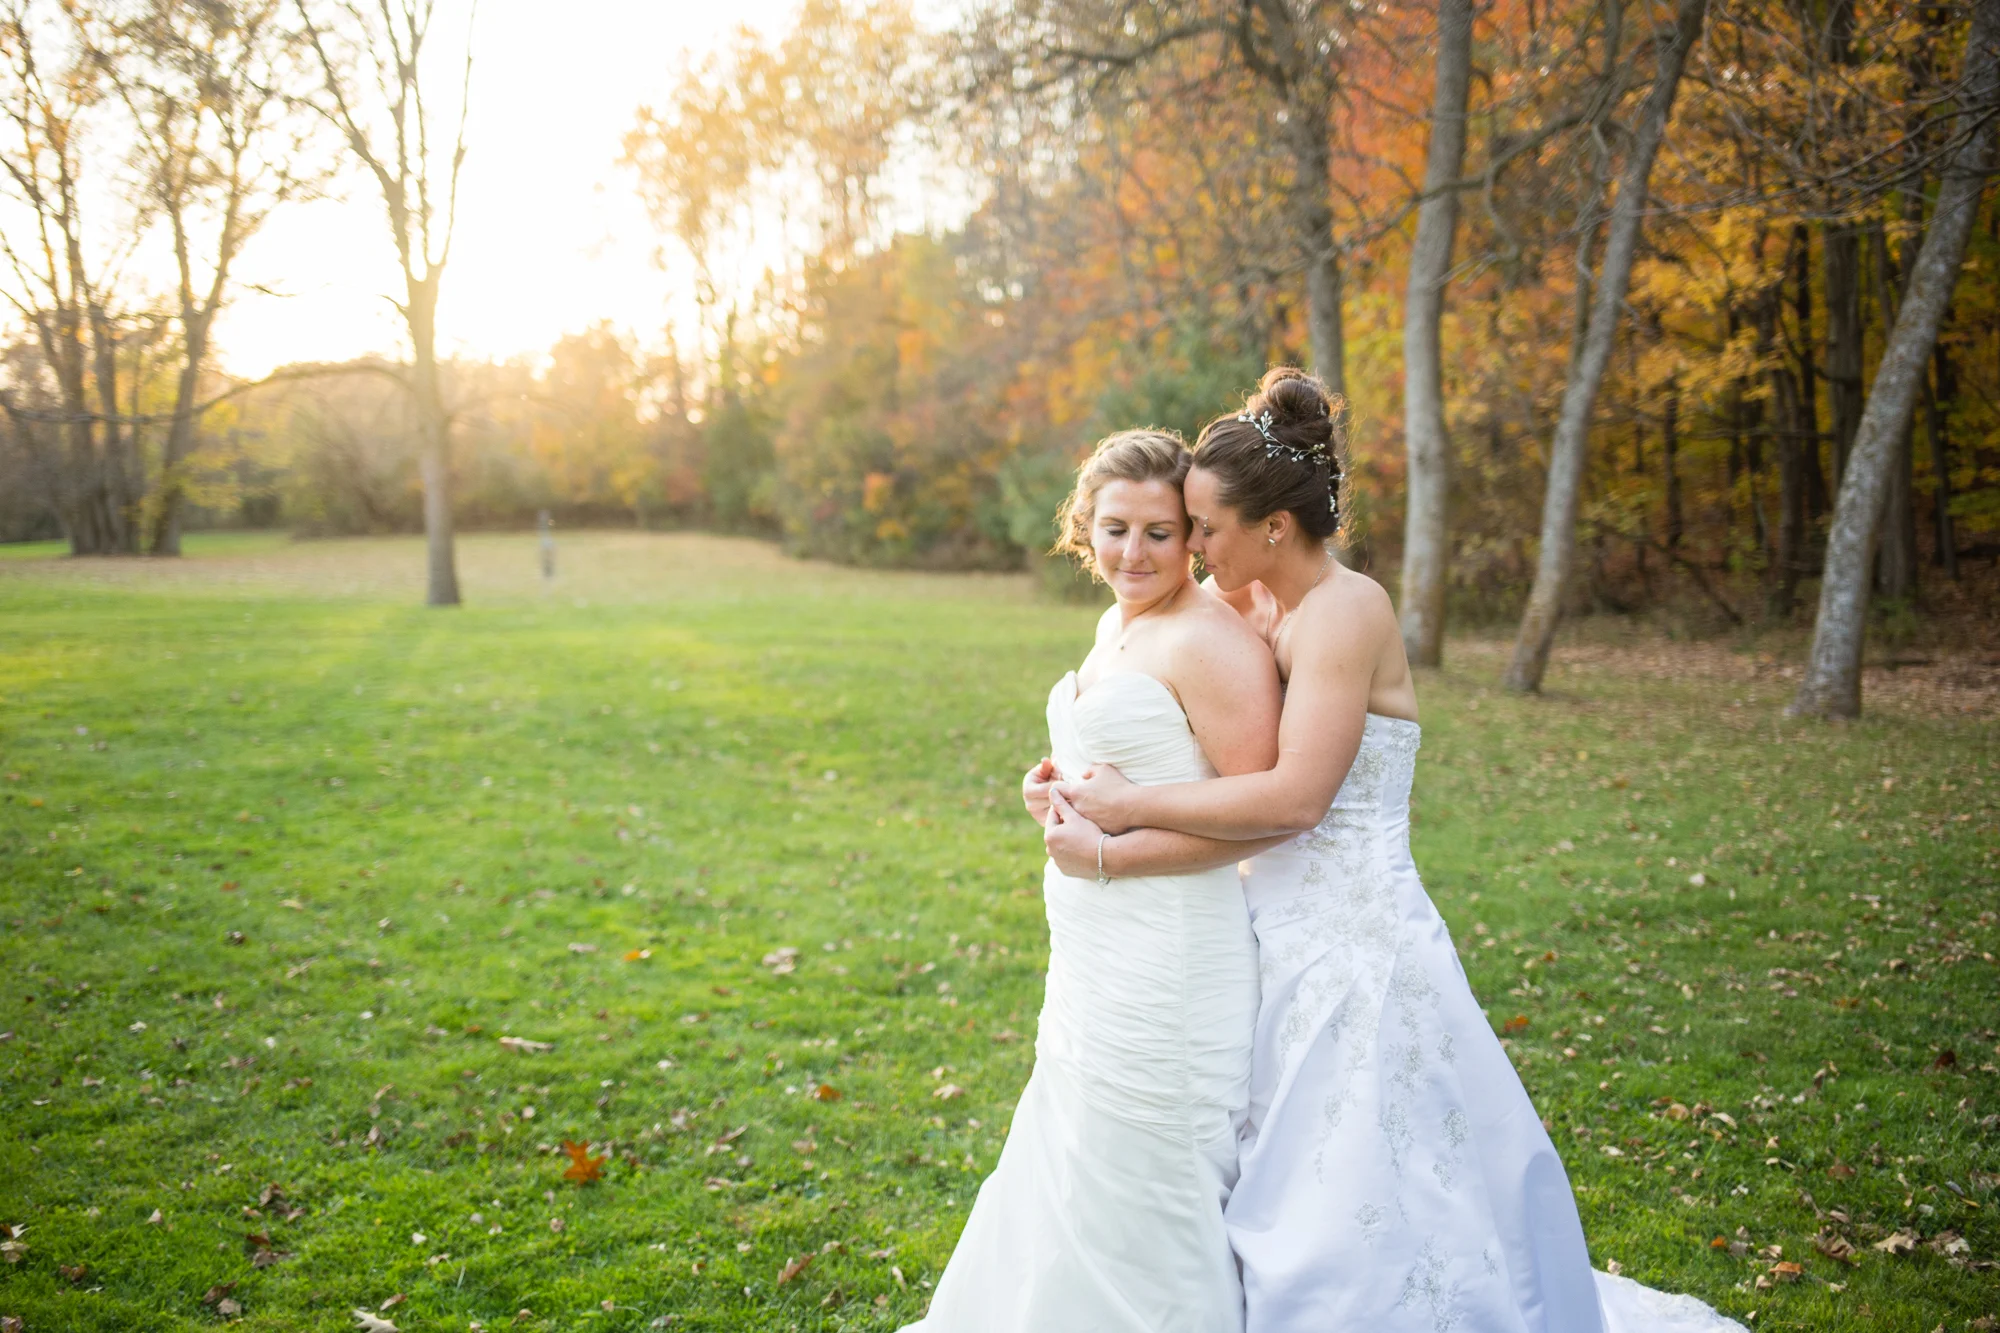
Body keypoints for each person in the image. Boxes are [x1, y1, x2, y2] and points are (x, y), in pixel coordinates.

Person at [1054, 369, 1745, 1333]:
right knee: (1280, 1156)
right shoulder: (1254, 604)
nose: (1193, 546)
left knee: (1365, 1168)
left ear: (1274, 529)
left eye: (1205, 526)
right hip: (1266, 918)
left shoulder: (1348, 610)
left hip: (1354, 930)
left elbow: (1298, 797)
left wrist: (1126, 807)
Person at [903, 429, 1290, 1332]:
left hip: (1174, 957)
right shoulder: (1119, 623)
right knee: (1080, 1150)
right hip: (1092, 952)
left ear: (1194, 535)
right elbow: (1135, 777)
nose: (1134, 552)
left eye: (1160, 532)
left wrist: (1109, 848)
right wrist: (1060, 791)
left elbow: (1259, 818)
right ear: (1084, 526)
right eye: (1115, 529)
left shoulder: (1209, 641)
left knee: (1147, 1163)